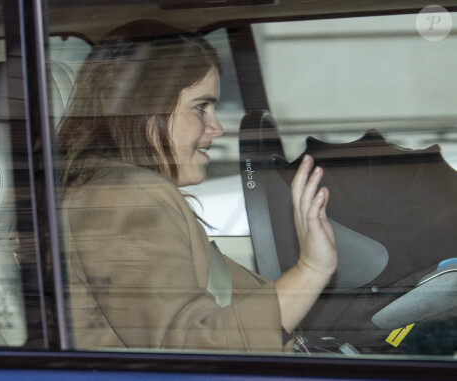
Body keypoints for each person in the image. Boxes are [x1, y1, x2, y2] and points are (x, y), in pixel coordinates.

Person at [57, 21, 337, 352]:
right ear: (146, 108)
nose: (216, 127)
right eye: (201, 107)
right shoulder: (126, 197)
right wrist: (312, 269)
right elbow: (191, 346)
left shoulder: (115, 190)